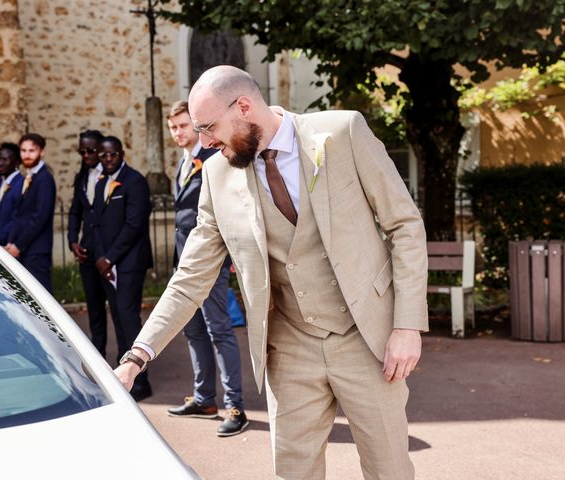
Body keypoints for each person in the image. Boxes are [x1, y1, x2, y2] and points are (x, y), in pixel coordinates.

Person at [115, 66, 429, 480]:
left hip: (367, 340)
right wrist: (136, 357)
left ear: (243, 106)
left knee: (388, 470)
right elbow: (189, 277)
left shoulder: (343, 131)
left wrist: (407, 325)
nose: (205, 142)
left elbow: (404, 225)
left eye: (209, 128)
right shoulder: (216, 174)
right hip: (290, 348)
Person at [166, 101, 247, 436]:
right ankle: (204, 398)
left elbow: (228, 211)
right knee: (193, 329)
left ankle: (235, 406)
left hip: (210, 262)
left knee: (219, 330)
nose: (178, 132)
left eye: (184, 126)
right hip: (184, 260)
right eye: (173, 127)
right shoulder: (183, 163)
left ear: (196, 126)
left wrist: (227, 257)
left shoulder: (215, 160)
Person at [92, 136, 154, 401]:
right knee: (117, 317)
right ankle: (123, 371)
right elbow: (95, 223)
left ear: (121, 154)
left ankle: (141, 381)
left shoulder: (135, 181)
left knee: (130, 320)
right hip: (107, 264)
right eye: (103, 156)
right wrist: (101, 259)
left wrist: (111, 258)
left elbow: (134, 225)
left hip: (128, 263)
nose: (108, 160)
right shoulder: (100, 183)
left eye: (112, 155)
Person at [67, 130, 107, 356]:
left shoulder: (113, 174)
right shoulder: (81, 176)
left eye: (90, 150)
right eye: (82, 151)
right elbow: (75, 212)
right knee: (94, 309)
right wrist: (73, 240)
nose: (86, 155)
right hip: (87, 251)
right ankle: (99, 356)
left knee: (119, 311)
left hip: (109, 253)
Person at [5, 133, 56, 293]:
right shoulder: (27, 178)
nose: (26, 155)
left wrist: (19, 245)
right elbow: (19, 215)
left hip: (36, 250)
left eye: (31, 151)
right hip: (22, 249)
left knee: (42, 296)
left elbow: (40, 216)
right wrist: (11, 242)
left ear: (41, 152)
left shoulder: (45, 179)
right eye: (23, 150)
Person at [0, 143, 24, 246]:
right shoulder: (2, 183)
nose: (0, 163)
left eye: (5, 160)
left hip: (9, 244)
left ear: (16, 162)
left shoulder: (20, 184)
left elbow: (16, 218)